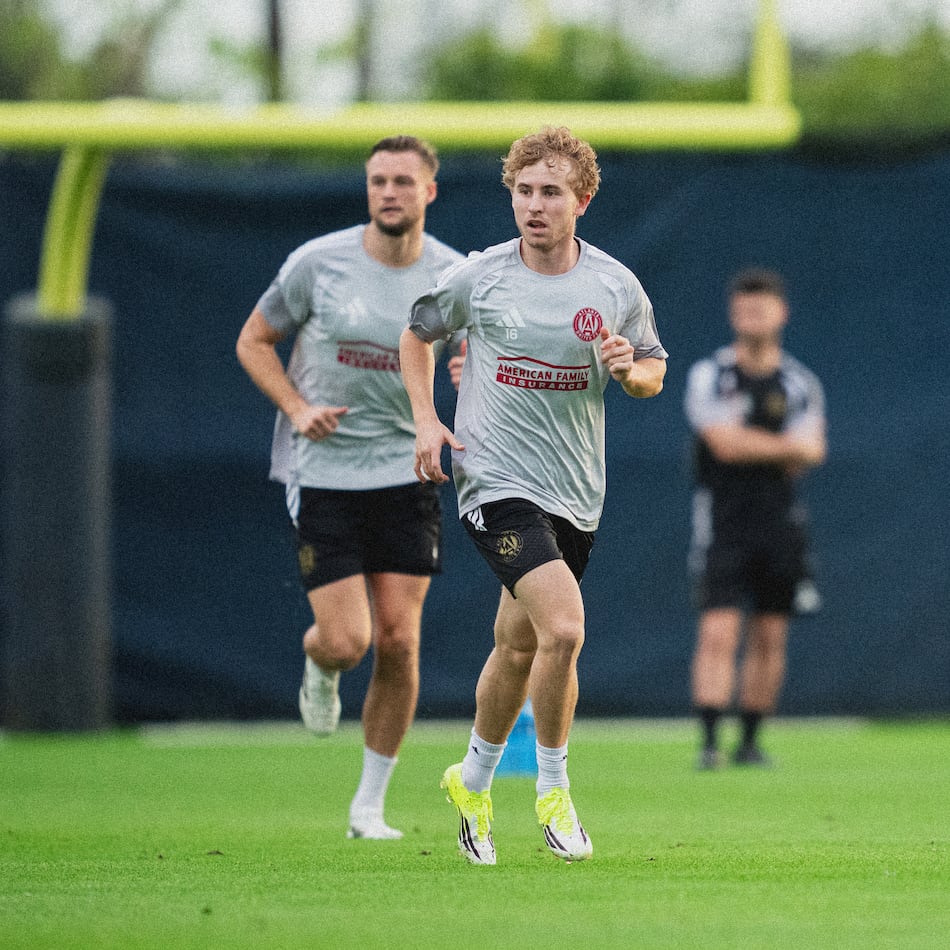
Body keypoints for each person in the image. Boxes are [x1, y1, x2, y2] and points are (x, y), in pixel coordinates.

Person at [399, 126, 668, 865]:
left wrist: (627, 369)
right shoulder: (481, 277)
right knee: (566, 630)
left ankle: (473, 781)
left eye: (551, 192)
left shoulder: (613, 286)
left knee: (518, 647)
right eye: (524, 191)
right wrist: (427, 420)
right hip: (493, 480)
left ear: (582, 200)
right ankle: (554, 793)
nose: (535, 205)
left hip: (575, 492)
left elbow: (652, 370)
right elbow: (417, 335)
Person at [236, 135, 464, 839]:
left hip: (406, 472)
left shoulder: (455, 274)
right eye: (377, 181)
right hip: (326, 474)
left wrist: (471, 371)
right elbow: (253, 341)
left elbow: (478, 350)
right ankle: (320, 663)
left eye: (402, 180)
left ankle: (368, 807)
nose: (388, 192)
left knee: (399, 641)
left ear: (429, 190)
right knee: (348, 642)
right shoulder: (318, 264)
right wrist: (298, 409)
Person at [684, 268, 826, 770]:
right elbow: (723, 443)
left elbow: (814, 448)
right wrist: (782, 446)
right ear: (732, 314)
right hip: (724, 522)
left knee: (770, 636)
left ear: (781, 313)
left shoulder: (799, 381)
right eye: (744, 309)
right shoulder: (711, 374)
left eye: (762, 308)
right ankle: (707, 742)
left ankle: (749, 742)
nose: (753, 318)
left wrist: (756, 444)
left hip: (781, 524)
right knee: (719, 632)